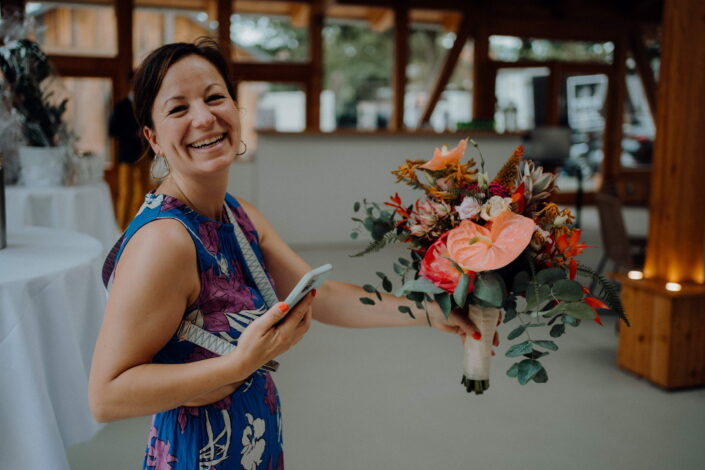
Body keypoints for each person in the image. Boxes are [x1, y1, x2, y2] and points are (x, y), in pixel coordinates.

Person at [89, 38, 490, 470]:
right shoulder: (165, 240)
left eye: (214, 97)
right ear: (153, 137)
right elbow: (106, 397)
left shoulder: (237, 214)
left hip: (253, 444)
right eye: (178, 108)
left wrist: (430, 312)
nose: (204, 118)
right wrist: (240, 364)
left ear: (236, 109)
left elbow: (325, 297)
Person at [108, 71, 148, 228]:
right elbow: (112, 130)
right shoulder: (122, 106)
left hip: (144, 155)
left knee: (145, 191)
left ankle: (138, 224)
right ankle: (121, 228)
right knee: (126, 192)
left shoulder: (146, 106)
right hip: (127, 155)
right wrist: (133, 133)